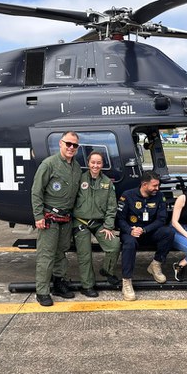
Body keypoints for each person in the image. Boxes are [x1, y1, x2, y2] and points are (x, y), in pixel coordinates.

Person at [30, 131, 82, 306]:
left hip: (66, 218)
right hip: (49, 217)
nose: (71, 148)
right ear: (61, 143)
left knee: (61, 252)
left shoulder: (76, 167)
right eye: (68, 143)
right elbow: (36, 191)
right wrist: (38, 216)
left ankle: (59, 284)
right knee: (46, 255)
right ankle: (42, 291)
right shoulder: (49, 164)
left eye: (74, 145)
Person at [116, 171, 175, 301]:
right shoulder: (127, 195)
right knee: (129, 244)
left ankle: (155, 265)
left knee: (169, 232)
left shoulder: (159, 196)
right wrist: (130, 230)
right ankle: (126, 282)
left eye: (158, 185)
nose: (157, 188)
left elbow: (161, 219)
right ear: (144, 184)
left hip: (148, 231)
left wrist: (144, 229)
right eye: (154, 186)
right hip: (131, 232)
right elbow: (119, 219)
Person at [72, 151, 121, 298]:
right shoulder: (79, 179)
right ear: (88, 163)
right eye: (93, 162)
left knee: (114, 245)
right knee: (85, 255)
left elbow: (112, 206)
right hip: (80, 222)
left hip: (99, 223)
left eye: (98, 162)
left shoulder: (107, 183)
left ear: (102, 164)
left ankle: (107, 270)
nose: (95, 165)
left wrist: (108, 226)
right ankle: (87, 286)